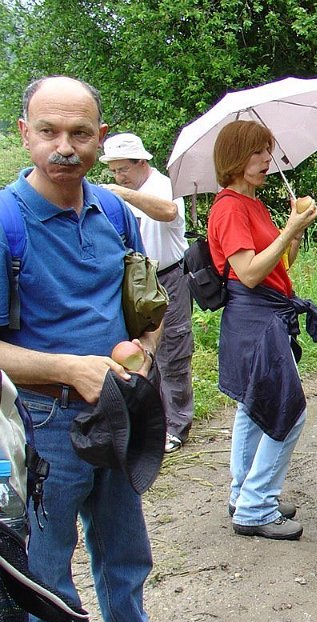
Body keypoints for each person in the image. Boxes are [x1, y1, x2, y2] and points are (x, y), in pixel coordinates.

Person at [0, 76, 201, 622]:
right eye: (49, 131)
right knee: (44, 569)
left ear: (99, 137)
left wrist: (140, 348)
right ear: (24, 133)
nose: (65, 146)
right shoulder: (6, 222)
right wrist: (68, 368)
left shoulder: (113, 210)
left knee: (124, 548)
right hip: (43, 421)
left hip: (118, 407)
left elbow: (148, 305)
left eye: (80, 133)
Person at [207, 120, 317, 541]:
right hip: (254, 318)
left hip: (268, 313)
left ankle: (244, 495)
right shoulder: (230, 207)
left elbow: (279, 264)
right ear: (235, 157)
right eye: (257, 152)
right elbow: (250, 273)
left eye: (267, 150)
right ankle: (256, 507)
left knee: (253, 409)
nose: (266, 159)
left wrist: (294, 231)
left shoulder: (253, 204)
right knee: (288, 410)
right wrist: (288, 230)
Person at [99, 132, 194, 454]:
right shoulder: (118, 196)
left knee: (174, 351)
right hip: (133, 283)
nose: (118, 176)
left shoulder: (163, 185)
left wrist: (123, 194)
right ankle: (150, 424)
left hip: (168, 277)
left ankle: (177, 426)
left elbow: (168, 212)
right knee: (139, 352)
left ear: (141, 162)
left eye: (123, 169)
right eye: (114, 171)